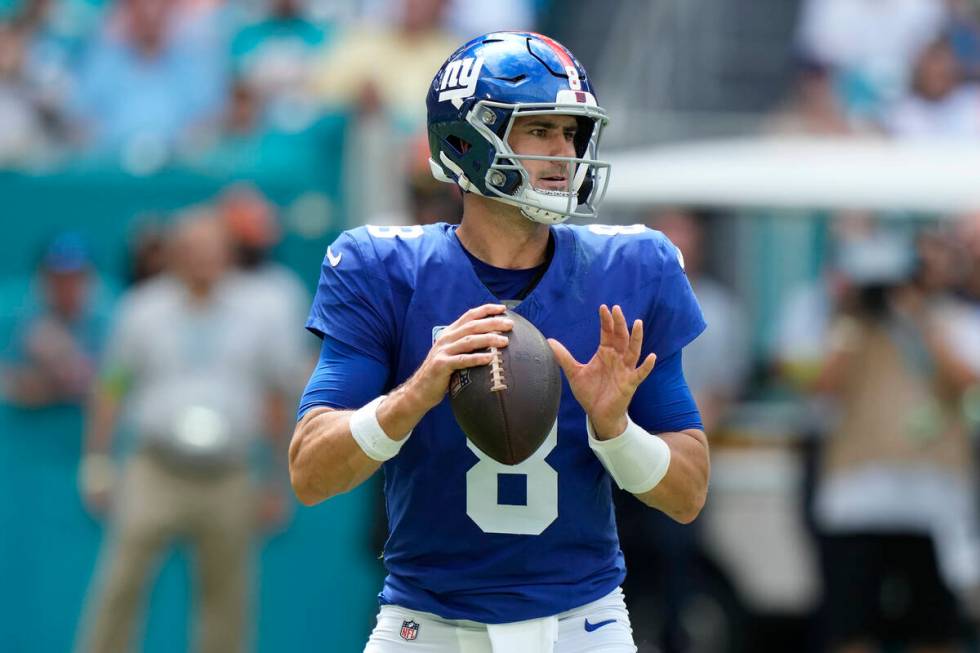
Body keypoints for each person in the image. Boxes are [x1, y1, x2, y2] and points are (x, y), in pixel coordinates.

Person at [289, 32, 710, 652]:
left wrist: (617, 431)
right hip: (425, 627)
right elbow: (309, 473)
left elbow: (688, 494)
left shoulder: (632, 269)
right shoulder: (382, 269)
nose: (564, 151)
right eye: (539, 130)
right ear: (466, 139)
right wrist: (415, 394)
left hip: (582, 626)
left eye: (572, 133)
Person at [75, 213, 294, 653]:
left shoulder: (259, 315)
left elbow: (275, 395)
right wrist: (97, 461)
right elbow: (112, 387)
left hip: (228, 473)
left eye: (213, 251)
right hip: (155, 468)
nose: (203, 261)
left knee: (227, 598)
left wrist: (276, 476)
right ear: (173, 255)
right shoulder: (141, 309)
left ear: (229, 257)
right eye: (192, 251)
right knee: (121, 581)